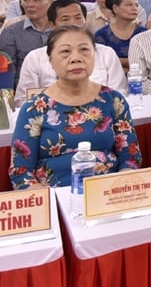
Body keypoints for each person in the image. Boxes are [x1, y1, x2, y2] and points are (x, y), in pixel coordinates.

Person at [10, 25, 141, 189]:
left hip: (108, 194)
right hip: (53, 199)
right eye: (65, 52)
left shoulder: (113, 100)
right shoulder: (34, 109)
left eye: (84, 50)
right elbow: (21, 172)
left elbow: (131, 159)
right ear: (50, 60)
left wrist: (119, 190)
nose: (75, 58)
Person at [16, 0, 127, 108]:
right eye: (65, 19)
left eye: (78, 18)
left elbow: (120, 93)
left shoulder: (106, 53)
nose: (73, 23)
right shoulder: (35, 58)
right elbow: (23, 101)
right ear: (52, 25)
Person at [0, 0, 54, 86]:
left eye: (36, 0)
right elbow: (7, 75)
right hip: (24, 95)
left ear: (51, 2)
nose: (30, 5)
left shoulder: (62, 31)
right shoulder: (11, 33)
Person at [94, 0, 147, 71]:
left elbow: (148, 62)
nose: (134, 8)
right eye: (129, 5)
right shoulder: (101, 35)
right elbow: (100, 63)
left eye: (136, 5)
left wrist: (115, 61)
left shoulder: (144, 33)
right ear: (115, 8)